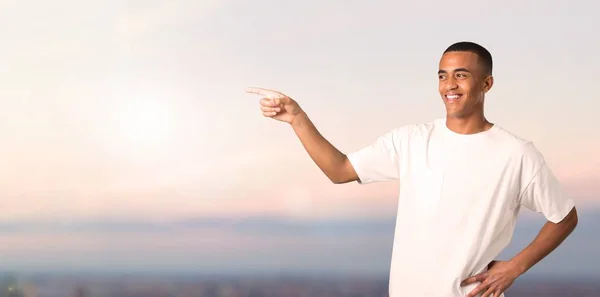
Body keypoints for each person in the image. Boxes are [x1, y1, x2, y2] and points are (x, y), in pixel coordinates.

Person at [245, 41, 578, 297]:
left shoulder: (516, 153)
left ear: (486, 84)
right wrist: (297, 118)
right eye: (443, 75)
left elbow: (564, 216)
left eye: (461, 75)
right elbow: (341, 170)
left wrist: (514, 267)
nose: (450, 85)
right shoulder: (411, 141)